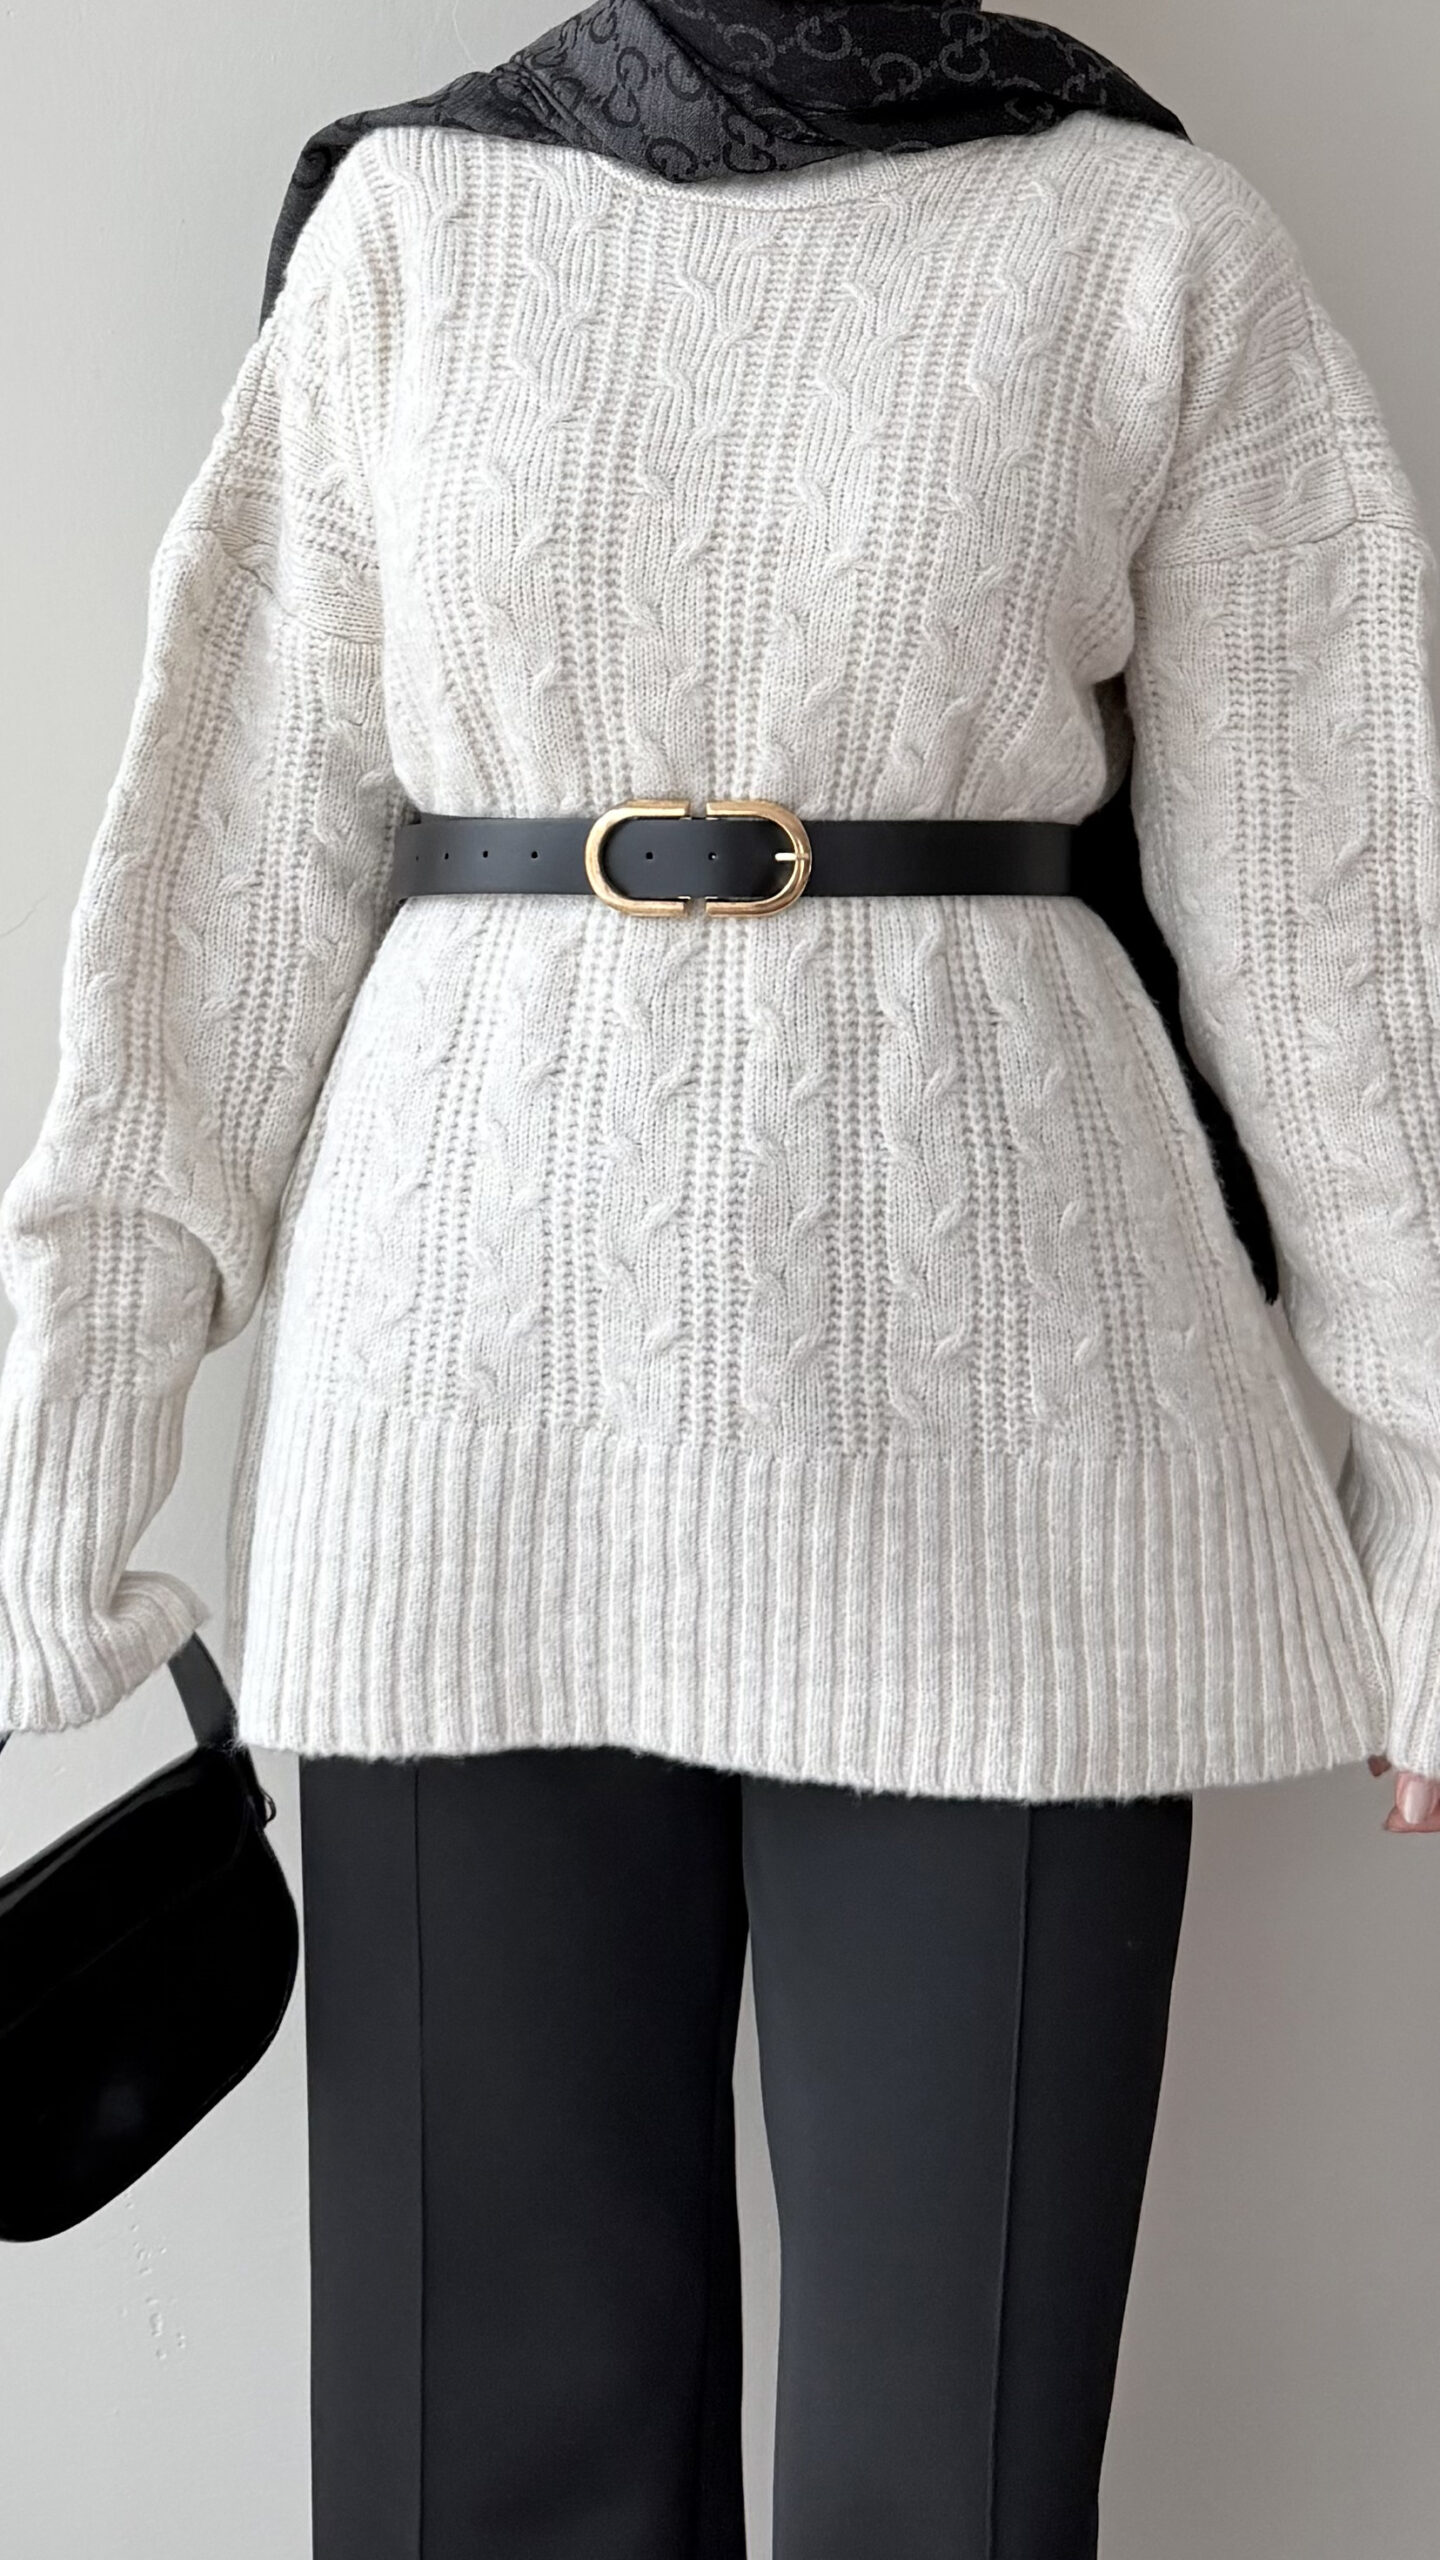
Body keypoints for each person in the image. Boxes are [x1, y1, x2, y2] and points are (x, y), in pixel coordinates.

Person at [2, 6, 1438, 2553]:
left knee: (944, 2481)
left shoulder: (1147, 243)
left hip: (1016, 1478)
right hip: (467, 1459)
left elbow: (1352, 937)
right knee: (485, 2471)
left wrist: (1435, 1498)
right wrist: (63, 1463)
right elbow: (215, 892)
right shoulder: (418, 229)